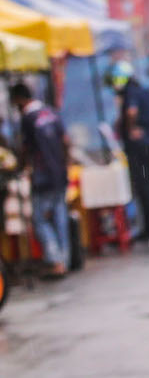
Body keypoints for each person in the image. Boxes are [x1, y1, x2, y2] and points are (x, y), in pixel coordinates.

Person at [11, 83, 72, 277]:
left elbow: (25, 149)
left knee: (39, 220)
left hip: (43, 176)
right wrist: (66, 166)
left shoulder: (28, 118)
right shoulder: (51, 113)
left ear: (19, 99)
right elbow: (66, 142)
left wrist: (19, 167)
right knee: (60, 218)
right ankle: (64, 260)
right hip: (59, 174)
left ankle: (55, 261)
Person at [110, 61, 149, 241]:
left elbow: (131, 112)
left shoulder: (131, 93)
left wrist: (131, 129)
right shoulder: (145, 91)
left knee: (143, 187)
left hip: (138, 148)